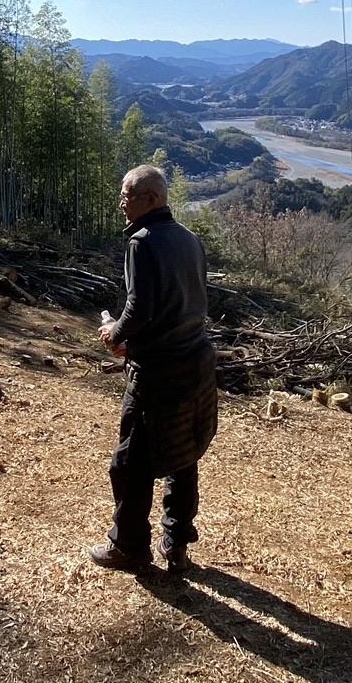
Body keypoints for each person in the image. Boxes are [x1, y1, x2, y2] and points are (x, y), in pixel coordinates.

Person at [89, 164, 219, 575]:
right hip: (195, 362)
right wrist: (134, 331)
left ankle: (127, 545)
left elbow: (138, 308)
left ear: (152, 199)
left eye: (127, 196)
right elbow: (187, 302)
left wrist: (115, 333)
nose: (121, 203)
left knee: (131, 461)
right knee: (183, 454)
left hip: (159, 371)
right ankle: (177, 543)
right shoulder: (190, 239)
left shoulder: (142, 243)